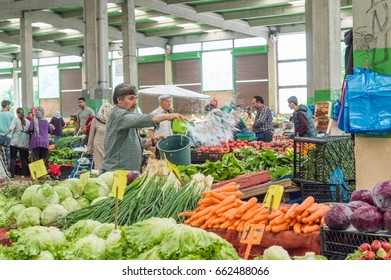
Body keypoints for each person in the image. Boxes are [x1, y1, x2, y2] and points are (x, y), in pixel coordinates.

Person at [102, 83, 186, 172]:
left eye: (136, 98)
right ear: (119, 100)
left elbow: (129, 143)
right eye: (131, 98)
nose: (135, 103)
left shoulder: (126, 116)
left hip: (128, 172)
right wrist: (167, 116)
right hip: (118, 172)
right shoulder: (118, 115)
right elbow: (142, 119)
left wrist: (151, 141)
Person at [86, 103, 113, 171]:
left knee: (109, 167)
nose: (108, 113)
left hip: (109, 147)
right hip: (98, 146)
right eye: (106, 111)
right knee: (99, 166)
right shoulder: (96, 120)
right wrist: (89, 147)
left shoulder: (112, 121)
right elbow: (91, 134)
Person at [4, 108, 30, 178]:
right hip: (23, 142)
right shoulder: (27, 121)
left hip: (14, 142)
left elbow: (11, 128)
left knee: (13, 158)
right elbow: (29, 130)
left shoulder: (15, 120)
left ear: (16, 113)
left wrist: (5, 133)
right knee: (23, 158)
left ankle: (12, 174)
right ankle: (24, 174)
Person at [0, 100, 14, 170]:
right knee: (8, 154)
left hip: (0, 136)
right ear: (7, 105)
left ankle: (1, 172)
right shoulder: (11, 114)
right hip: (8, 137)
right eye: (9, 105)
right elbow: (14, 126)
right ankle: (8, 171)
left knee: (1, 155)